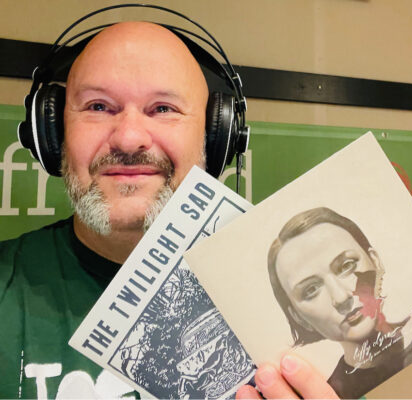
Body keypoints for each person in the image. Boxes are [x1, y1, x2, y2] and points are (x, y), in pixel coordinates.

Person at [0, 20, 336, 400]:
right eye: (98, 107)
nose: (129, 138)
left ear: (216, 137)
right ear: (53, 133)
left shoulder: (297, 296)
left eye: (163, 109)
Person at [266, 207, 412, 399]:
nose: (341, 297)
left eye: (346, 266)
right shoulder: (327, 393)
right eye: (311, 290)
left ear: (375, 261)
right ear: (298, 317)